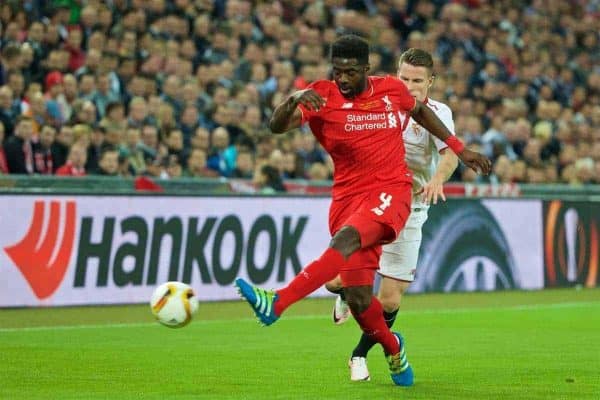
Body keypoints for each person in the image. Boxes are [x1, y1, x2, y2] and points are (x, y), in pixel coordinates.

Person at [234, 35, 491, 386]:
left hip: (393, 193)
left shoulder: (390, 91)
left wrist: (461, 150)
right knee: (358, 296)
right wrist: (293, 97)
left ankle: (277, 302)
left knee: (346, 243)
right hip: (347, 198)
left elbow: (421, 112)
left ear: (366, 70)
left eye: (350, 72)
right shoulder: (321, 95)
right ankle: (393, 348)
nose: (342, 79)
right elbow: (277, 126)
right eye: (337, 71)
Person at [325, 48, 459, 381]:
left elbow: (451, 155)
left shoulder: (439, 112)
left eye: (417, 80)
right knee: (334, 280)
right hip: (370, 202)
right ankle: (344, 295)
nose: (410, 86)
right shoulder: (377, 102)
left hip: (411, 209)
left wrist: (437, 179)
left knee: (389, 299)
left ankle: (359, 355)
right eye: (404, 78)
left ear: (430, 81)